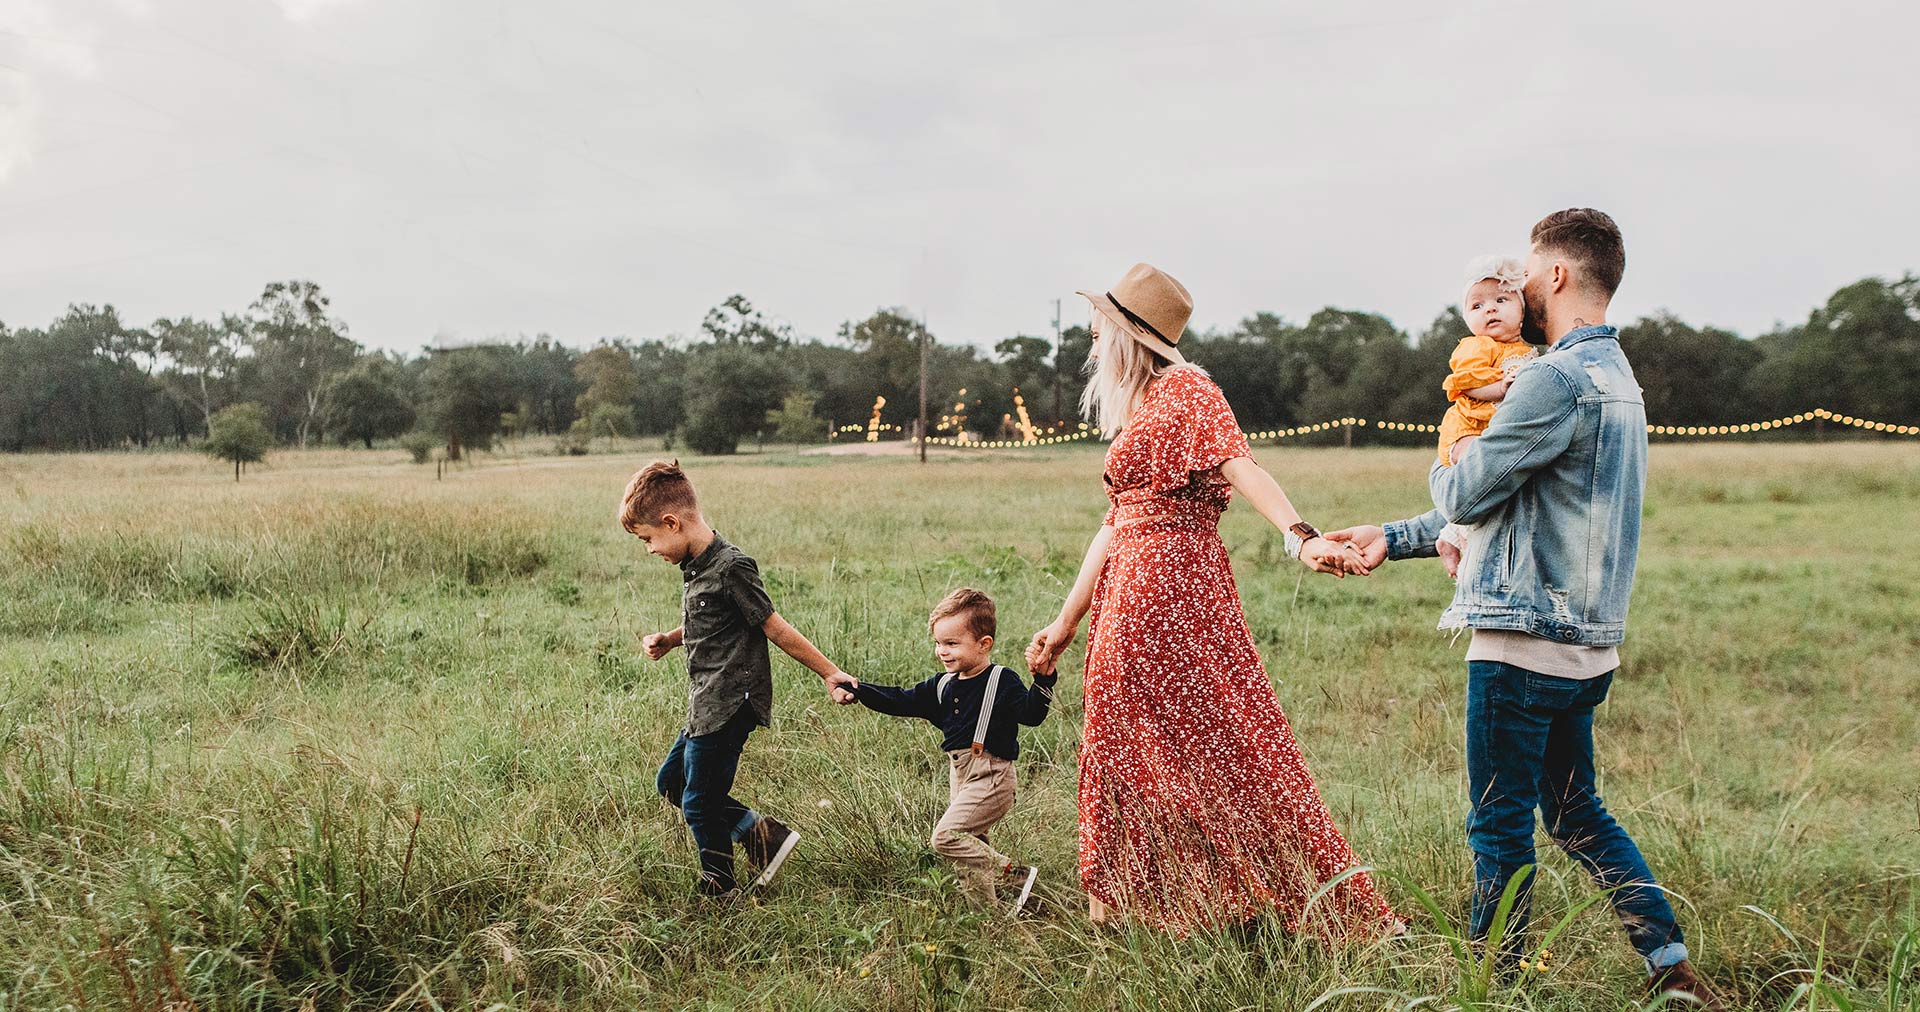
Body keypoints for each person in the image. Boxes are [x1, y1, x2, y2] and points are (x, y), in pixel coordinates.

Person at [1327, 210, 1724, 1007]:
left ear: (1559, 276)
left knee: (1497, 823)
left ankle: (1492, 987)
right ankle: (1671, 967)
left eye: (1529, 272)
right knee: (1577, 813)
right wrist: (1396, 536)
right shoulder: (1619, 379)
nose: (1518, 288)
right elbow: (1520, 501)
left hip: (1521, 642)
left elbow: (1471, 488)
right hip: (1588, 647)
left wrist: (1452, 456)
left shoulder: (1550, 378)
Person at [1025, 262, 1399, 937]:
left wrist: (1300, 536)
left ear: (1128, 334)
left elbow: (1241, 464)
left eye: (1099, 325)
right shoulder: (1139, 406)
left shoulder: (1188, 389)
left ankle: (1275, 899)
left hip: (1172, 587)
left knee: (1224, 739)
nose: (1089, 335)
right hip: (1128, 590)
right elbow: (1114, 523)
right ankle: (1131, 907)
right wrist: (1064, 621)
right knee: (1122, 743)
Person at [620, 460, 859, 896]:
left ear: (672, 523)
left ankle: (720, 886)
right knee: (671, 783)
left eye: (648, 539)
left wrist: (831, 673)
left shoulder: (731, 567)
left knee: (698, 802)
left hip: (731, 701)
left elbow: (774, 627)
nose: (649, 549)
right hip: (705, 700)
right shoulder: (696, 567)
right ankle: (762, 837)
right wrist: (672, 639)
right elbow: (711, 624)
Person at [836, 587, 1055, 914]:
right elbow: (899, 699)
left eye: (952, 643)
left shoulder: (1001, 681)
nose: (942, 651)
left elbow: (1032, 715)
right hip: (961, 777)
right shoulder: (942, 686)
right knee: (970, 853)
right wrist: (858, 689)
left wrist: (1043, 680)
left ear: (984, 644)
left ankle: (1014, 875)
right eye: (938, 643)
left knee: (947, 837)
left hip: (992, 776)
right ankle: (987, 920)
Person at [1435, 255, 1538, 561]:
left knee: (1498, 483)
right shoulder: (1477, 346)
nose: (1489, 309)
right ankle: (1454, 536)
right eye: (1476, 306)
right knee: (1479, 474)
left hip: (1494, 429)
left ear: (1522, 309)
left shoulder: (1527, 351)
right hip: (1467, 428)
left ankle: (1453, 536)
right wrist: (1500, 388)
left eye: (1501, 299)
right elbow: (1466, 383)